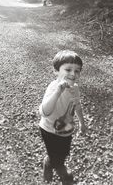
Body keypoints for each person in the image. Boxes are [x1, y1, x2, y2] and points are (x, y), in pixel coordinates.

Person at [39, 50, 87, 185]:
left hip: (67, 130)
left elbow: (77, 105)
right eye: (68, 69)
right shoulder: (53, 88)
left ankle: (56, 162)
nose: (73, 74)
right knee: (55, 154)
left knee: (64, 151)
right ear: (56, 71)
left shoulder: (75, 88)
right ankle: (52, 164)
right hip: (50, 130)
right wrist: (58, 91)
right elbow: (44, 112)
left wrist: (82, 123)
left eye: (77, 71)